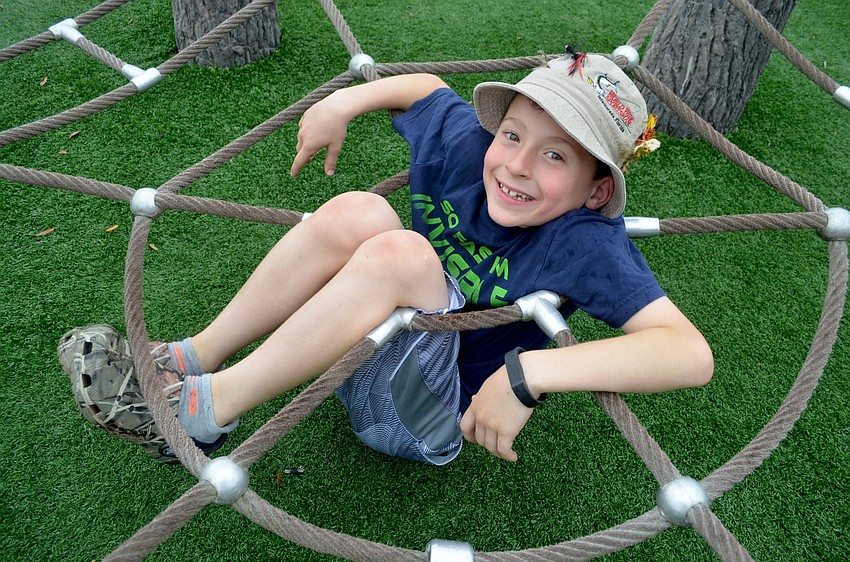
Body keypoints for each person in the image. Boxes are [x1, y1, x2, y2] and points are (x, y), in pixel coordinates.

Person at [58, 51, 713, 465]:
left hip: (427, 416)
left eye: (555, 155)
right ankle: (191, 357)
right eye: (512, 134)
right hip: (364, 344)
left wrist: (528, 375)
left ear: (597, 189)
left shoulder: (584, 239)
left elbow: (687, 353)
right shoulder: (468, 151)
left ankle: (202, 413)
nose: (515, 164)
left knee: (401, 251)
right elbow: (427, 89)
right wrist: (346, 100)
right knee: (358, 212)